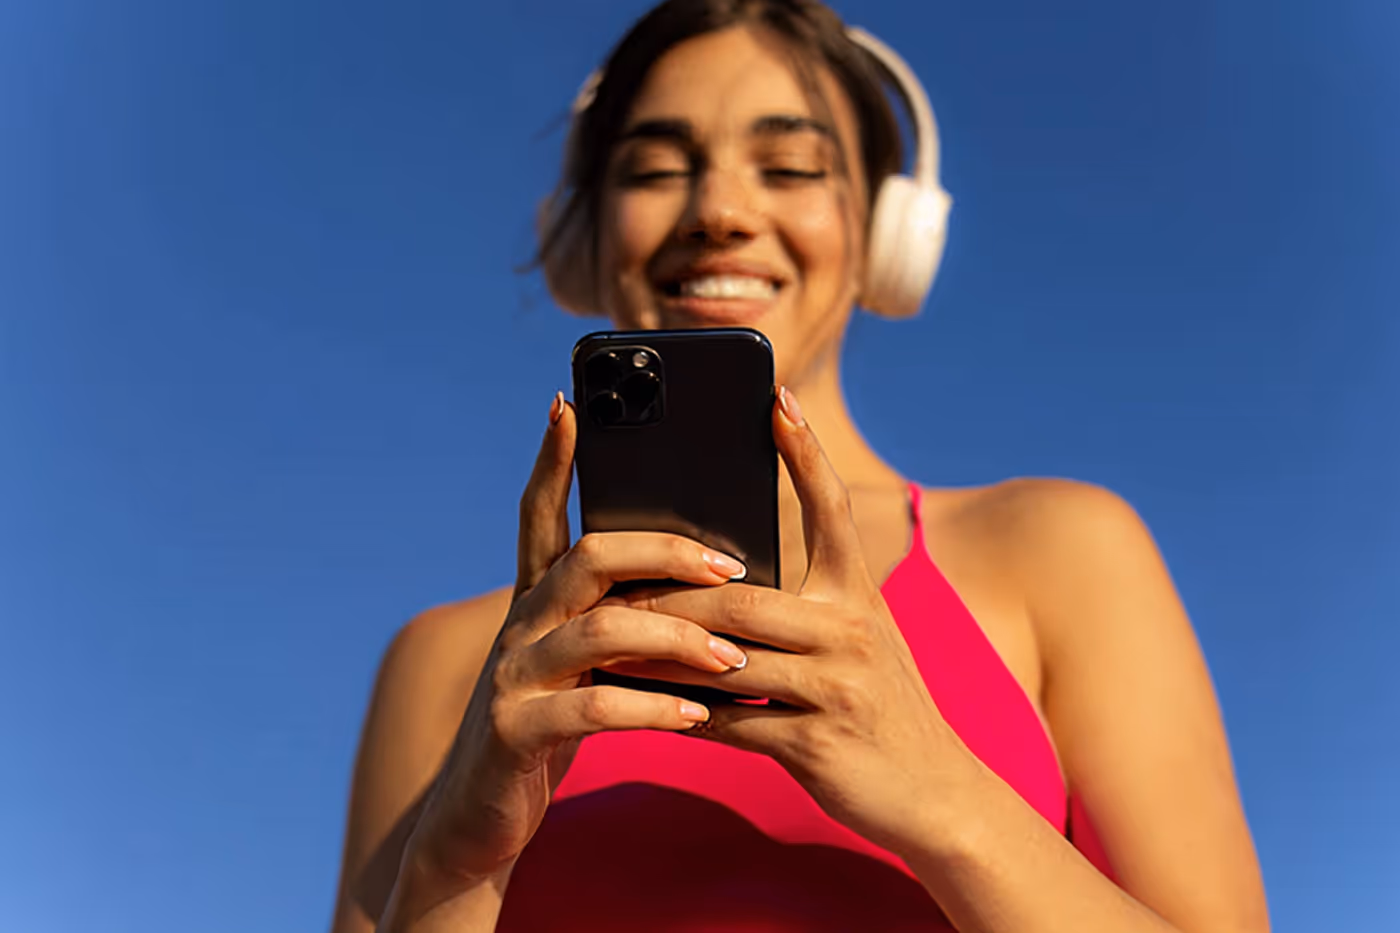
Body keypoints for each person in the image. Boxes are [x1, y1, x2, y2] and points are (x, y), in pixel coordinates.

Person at [330, 1, 1270, 931]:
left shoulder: (1061, 550)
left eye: (789, 167)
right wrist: (453, 869)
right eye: (655, 170)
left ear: (888, 236)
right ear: (587, 236)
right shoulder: (449, 662)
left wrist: (948, 800)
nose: (719, 212)